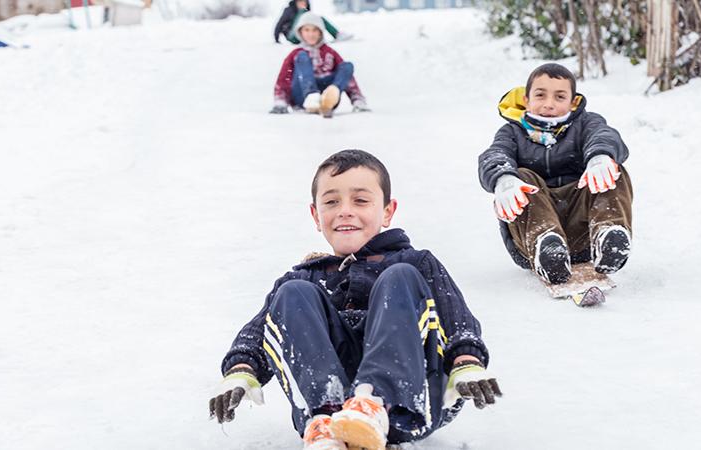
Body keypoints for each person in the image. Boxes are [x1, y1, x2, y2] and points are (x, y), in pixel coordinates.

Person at [209, 149, 501, 450]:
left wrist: (467, 361)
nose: (345, 210)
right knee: (293, 293)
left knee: (400, 276)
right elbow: (262, 332)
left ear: (387, 211)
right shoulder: (304, 278)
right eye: (332, 201)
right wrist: (241, 370)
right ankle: (326, 419)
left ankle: (374, 403)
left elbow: (455, 317)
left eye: (360, 200)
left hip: (413, 396)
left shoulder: (416, 263)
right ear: (316, 215)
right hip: (332, 401)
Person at [478, 63, 632, 284]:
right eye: (540, 95)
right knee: (521, 176)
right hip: (532, 236)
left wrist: (600, 156)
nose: (549, 104)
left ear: (572, 102)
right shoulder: (512, 132)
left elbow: (604, 135)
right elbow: (495, 155)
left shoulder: (586, 123)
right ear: (526, 100)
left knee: (612, 169)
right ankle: (548, 249)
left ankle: (608, 236)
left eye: (559, 97)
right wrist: (503, 179)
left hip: (582, 231)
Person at [270, 12, 369, 118]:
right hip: (302, 96)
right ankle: (311, 96)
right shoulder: (296, 53)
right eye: (307, 30)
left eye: (314, 30)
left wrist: (357, 99)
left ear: (320, 32)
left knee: (347, 66)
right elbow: (284, 79)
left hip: (326, 95)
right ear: (300, 32)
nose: (311, 34)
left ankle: (330, 96)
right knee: (302, 56)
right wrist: (280, 101)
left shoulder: (330, 53)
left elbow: (347, 78)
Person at [274, 0, 351, 45]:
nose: (303, 4)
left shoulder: (306, 11)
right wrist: (276, 39)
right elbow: (279, 23)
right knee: (304, 13)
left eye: (304, 3)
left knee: (319, 19)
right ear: (296, 2)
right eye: (300, 2)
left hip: (303, 35)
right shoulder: (289, 10)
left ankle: (337, 34)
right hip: (292, 35)